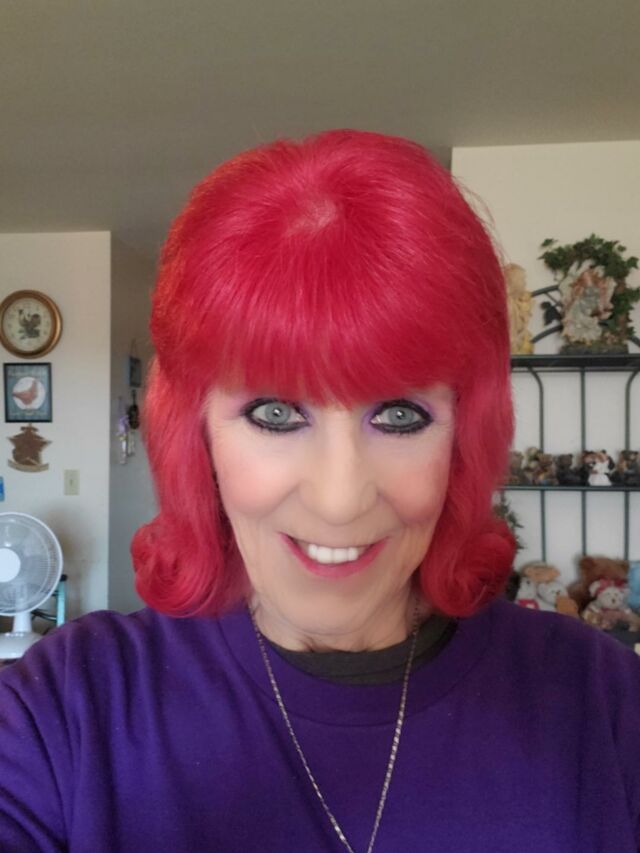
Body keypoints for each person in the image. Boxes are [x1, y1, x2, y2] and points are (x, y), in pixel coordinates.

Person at [0, 129, 639, 853]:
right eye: (275, 414)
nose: (340, 500)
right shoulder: (63, 713)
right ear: (196, 437)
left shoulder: (603, 706)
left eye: (400, 416)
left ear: (464, 438)